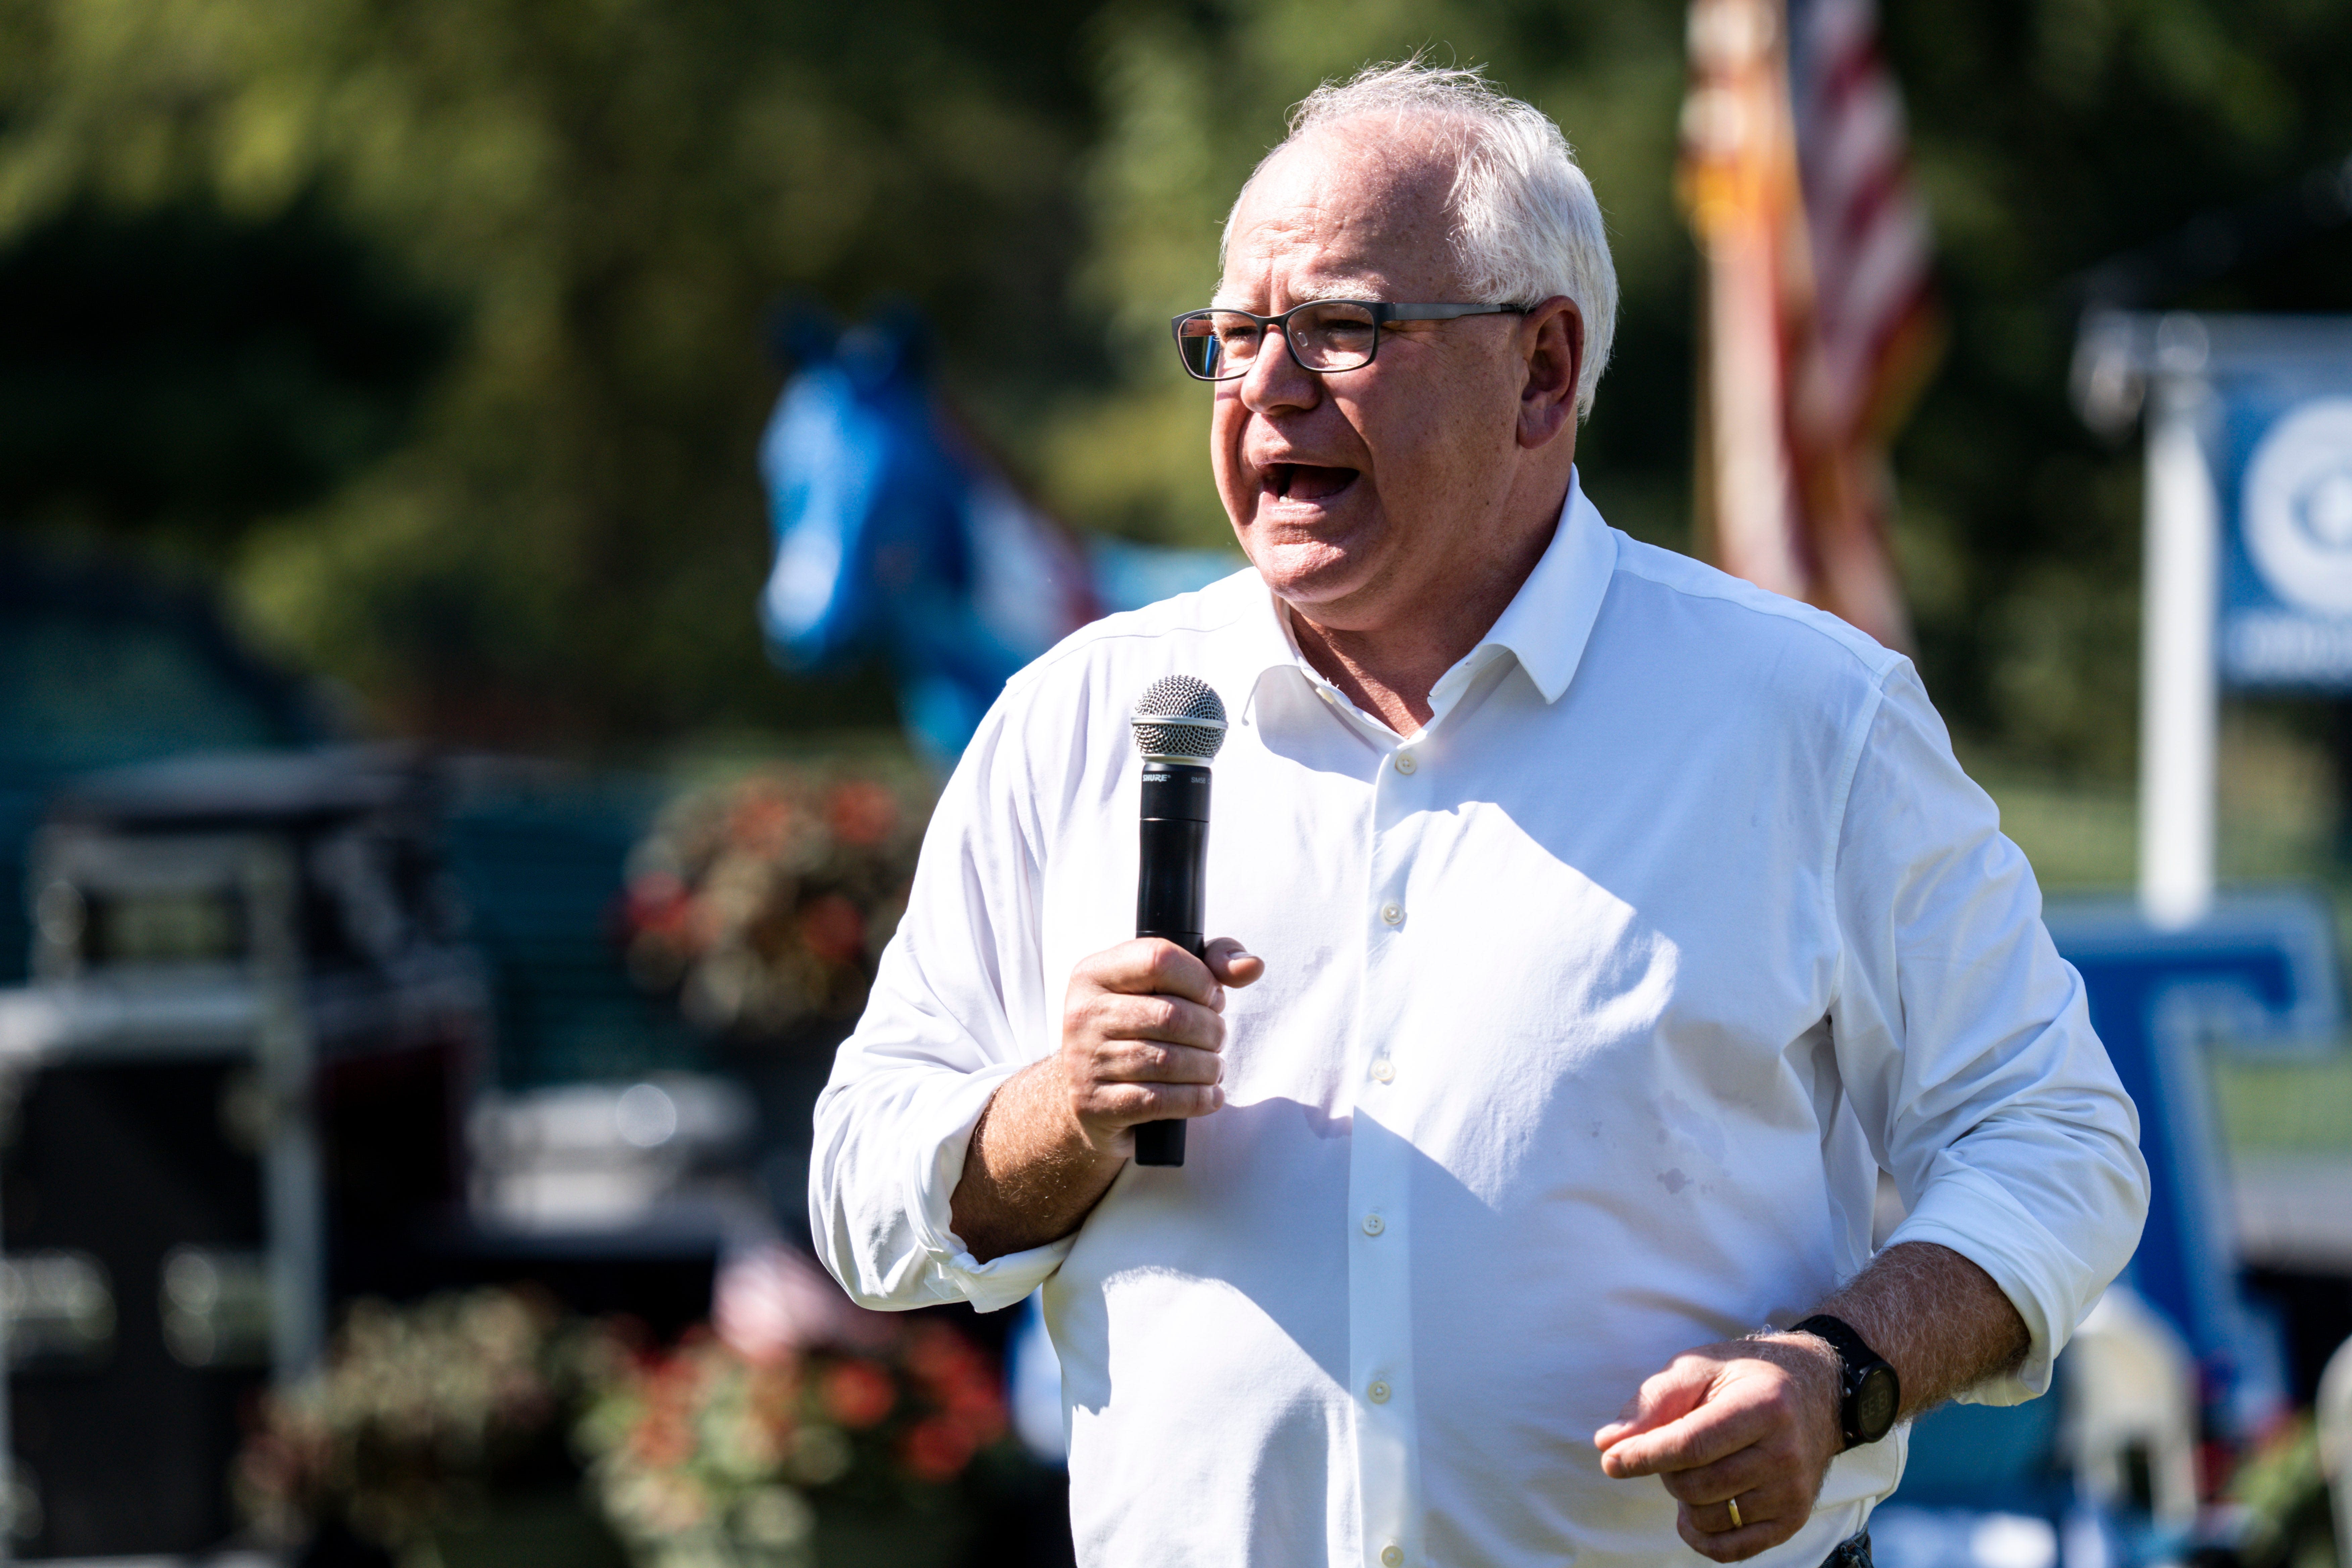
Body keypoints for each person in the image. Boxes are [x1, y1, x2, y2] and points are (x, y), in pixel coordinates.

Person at [810, 61, 2148, 1568]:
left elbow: (2052, 1134)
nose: (1267, 388)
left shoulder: (1808, 719)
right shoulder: (1078, 716)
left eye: (1341, 327)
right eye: (1236, 335)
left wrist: (1836, 1372)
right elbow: (868, 1189)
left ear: (1543, 370)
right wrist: (1067, 1111)